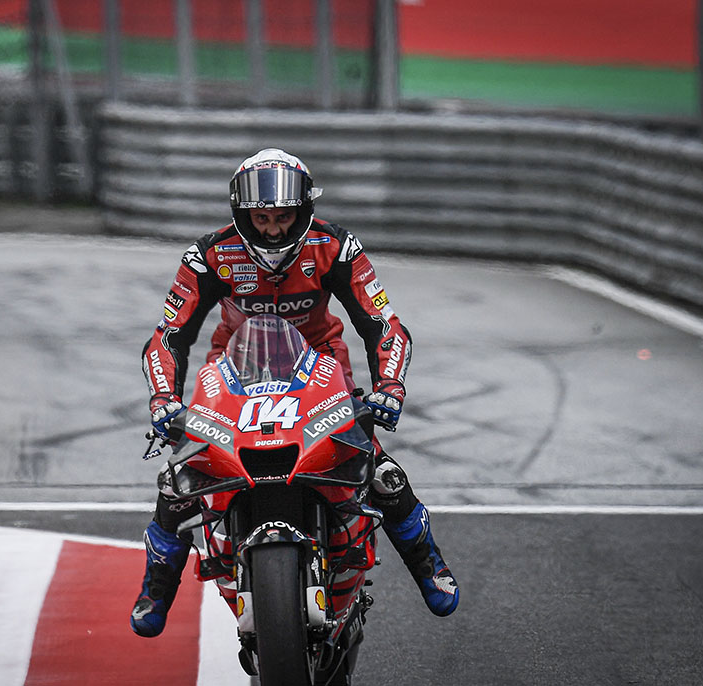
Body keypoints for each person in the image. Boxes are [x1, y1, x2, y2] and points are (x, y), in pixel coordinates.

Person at [131, 148, 459, 638]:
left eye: (283, 217)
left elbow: (383, 325)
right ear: (242, 215)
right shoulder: (209, 255)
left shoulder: (337, 246)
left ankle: (429, 564)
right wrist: (164, 399)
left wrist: (389, 387)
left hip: (321, 369)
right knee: (179, 477)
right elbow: (167, 336)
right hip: (232, 373)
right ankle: (156, 587)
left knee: (381, 470)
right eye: (261, 218)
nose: (272, 230)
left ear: (302, 210)